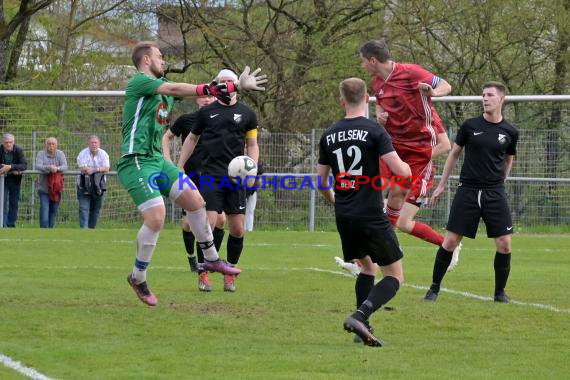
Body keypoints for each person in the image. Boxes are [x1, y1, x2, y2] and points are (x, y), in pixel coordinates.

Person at [118, 41, 266, 306]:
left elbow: (184, 93)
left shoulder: (162, 91)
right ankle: (138, 277)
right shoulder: (140, 81)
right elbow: (176, 88)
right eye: (160, 57)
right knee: (156, 216)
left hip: (156, 160)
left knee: (195, 201)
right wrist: (213, 87)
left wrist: (234, 86)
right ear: (145, 60)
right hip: (136, 160)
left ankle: (210, 259)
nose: (163, 61)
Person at [317, 77, 411, 347]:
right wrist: (406, 168)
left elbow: (322, 183)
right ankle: (361, 315)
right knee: (394, 276)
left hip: (345, 216)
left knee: (368, 268)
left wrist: (336, 201)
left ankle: (362, 329)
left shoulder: (329, 134)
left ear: (341, 100)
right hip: (370, 214)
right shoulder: (375, 131)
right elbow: (399, 170)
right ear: (368, 97)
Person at [356, 39, 461, 272]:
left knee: (396, 206)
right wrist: (380, 117)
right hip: (395, 148)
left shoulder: (412, 72)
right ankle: (372, 256)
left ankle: (378, 256)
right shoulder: (377, 82)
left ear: (373, 60)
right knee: (372, 191)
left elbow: (445, 85)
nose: (362, 65)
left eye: (363, 61)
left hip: (417, 153)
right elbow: (383, 109)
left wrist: (434, 91)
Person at [423, 81, 518, 303]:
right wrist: (441, 185)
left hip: (494, 192)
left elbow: (508, 159)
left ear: (501, 99)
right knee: (450, 241)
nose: (485, 99)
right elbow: (454, 154)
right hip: (468, 191)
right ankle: (433, 289)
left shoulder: (510, 131)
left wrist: (499, 181)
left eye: (490, 95)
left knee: (504, 243)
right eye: (483, 95)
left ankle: (499, 293)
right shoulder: (470, 125)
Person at [177, 68, 259, 293]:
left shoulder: (248, 113)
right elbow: (192, 138)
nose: (224, 85)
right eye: (220, 82)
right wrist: (180, 166)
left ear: (236, 84)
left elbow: (252, 144)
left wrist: (253, 169)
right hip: (211, 175)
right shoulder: (206, 112)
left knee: (238, 229)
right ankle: (204, 273)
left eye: (229, 81)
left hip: (237, 178)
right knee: (208, 226)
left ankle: (230, 273)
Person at [162, 95, 227, 292]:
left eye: (210, 96)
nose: (207, 100)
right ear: (197, 100)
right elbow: (166, 137)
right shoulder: (187, 119)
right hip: (189, 176)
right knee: (189, 224)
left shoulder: (219, 119)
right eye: (203, 97)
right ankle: (195, 260)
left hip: (213, 176)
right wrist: (168, 161)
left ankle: (209, 261)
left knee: (221, 221)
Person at [76, 135, 110, 228]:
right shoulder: (83, 153)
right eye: (92, 142)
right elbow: (83, 168)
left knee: (96, 209)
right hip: (83, 185)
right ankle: (84, 230)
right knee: (84, 209)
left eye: (95, 143)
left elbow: (106, 168)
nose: (94, 145)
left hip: (98, 186)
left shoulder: (104, 154)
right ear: (88, 144)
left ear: (99, 144)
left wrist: (94, 169)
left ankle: (91, 230)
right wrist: (98, 169)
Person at [35, 137, 67, 228]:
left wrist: (57, 168)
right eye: (49, 144)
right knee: (44, 211)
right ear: (46, 145)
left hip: (56, 190)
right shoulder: (41, 154)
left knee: (53, 211)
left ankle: (50, 230)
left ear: (56, 145)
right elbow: (38, 166)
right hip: (44, 189)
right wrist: (49, 168)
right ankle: (44, 231)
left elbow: (65, 166)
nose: (51, 146)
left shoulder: (61, 154)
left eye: (53, 144)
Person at [0, 133, 28, 227]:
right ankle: (3, 224)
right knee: (2, 202)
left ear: (14, 142)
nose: (8, 144)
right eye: (6, 142)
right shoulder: (0, 150)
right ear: (3, 142)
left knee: (14, 203)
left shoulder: (18, 150)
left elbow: (24, 165)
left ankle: (11, 224)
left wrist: (10, 167)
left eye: (10, 142)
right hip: (2, 180)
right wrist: (4, 168)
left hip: (15, 181)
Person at [245, 162, 263, 232]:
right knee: (241, 210)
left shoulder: (253, 160)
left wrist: (253, 169)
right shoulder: (240, 159)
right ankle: (242, 228)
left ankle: (249, 229)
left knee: (251, 210)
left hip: (252, 189)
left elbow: (261, 170)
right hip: (241, 188)